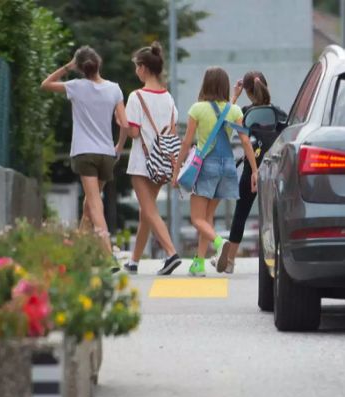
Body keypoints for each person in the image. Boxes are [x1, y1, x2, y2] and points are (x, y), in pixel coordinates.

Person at [41, 46, 127, 267]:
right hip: (107, 154)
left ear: (80, 68)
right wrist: (118, 147)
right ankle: (78, 250)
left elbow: (45, 84)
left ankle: (108, 256)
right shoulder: (114, 89)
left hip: (85, 153)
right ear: (99, 64)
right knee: (90, 204)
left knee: (94, 206)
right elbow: (125, 124)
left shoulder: (76, 87)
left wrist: (67, 67)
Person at [174, 67, 259, 277]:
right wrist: (255, 171)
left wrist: (176, 169)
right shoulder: (235, 111)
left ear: (206, 84)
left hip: (206, 166)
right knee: (207, 216)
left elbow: (186, 142)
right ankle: (199, 264)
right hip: (228, 167)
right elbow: (245, 141)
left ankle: (220, 243)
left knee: (196, 219)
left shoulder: (197, 109)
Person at [212, 71, 286, 274]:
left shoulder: (245, 112)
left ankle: (230, 261)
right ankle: (281, 257)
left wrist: (234, 97)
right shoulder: (279, 114)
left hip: (251, 171)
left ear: (246, 91)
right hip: (275, 169)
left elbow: (221, 123)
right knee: (276, 215)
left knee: (241, 215)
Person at [121, 42, 182, 276]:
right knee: (146, 211)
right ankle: (134, 260)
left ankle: (171, 253)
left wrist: (123, 124)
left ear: (144, 68)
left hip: (141, 162)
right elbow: (173, 131)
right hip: (162, 161)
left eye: (137, 66)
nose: (136, 71)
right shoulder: (168, 98)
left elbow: (134, 133)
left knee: (149, 210)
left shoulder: (136, 97)